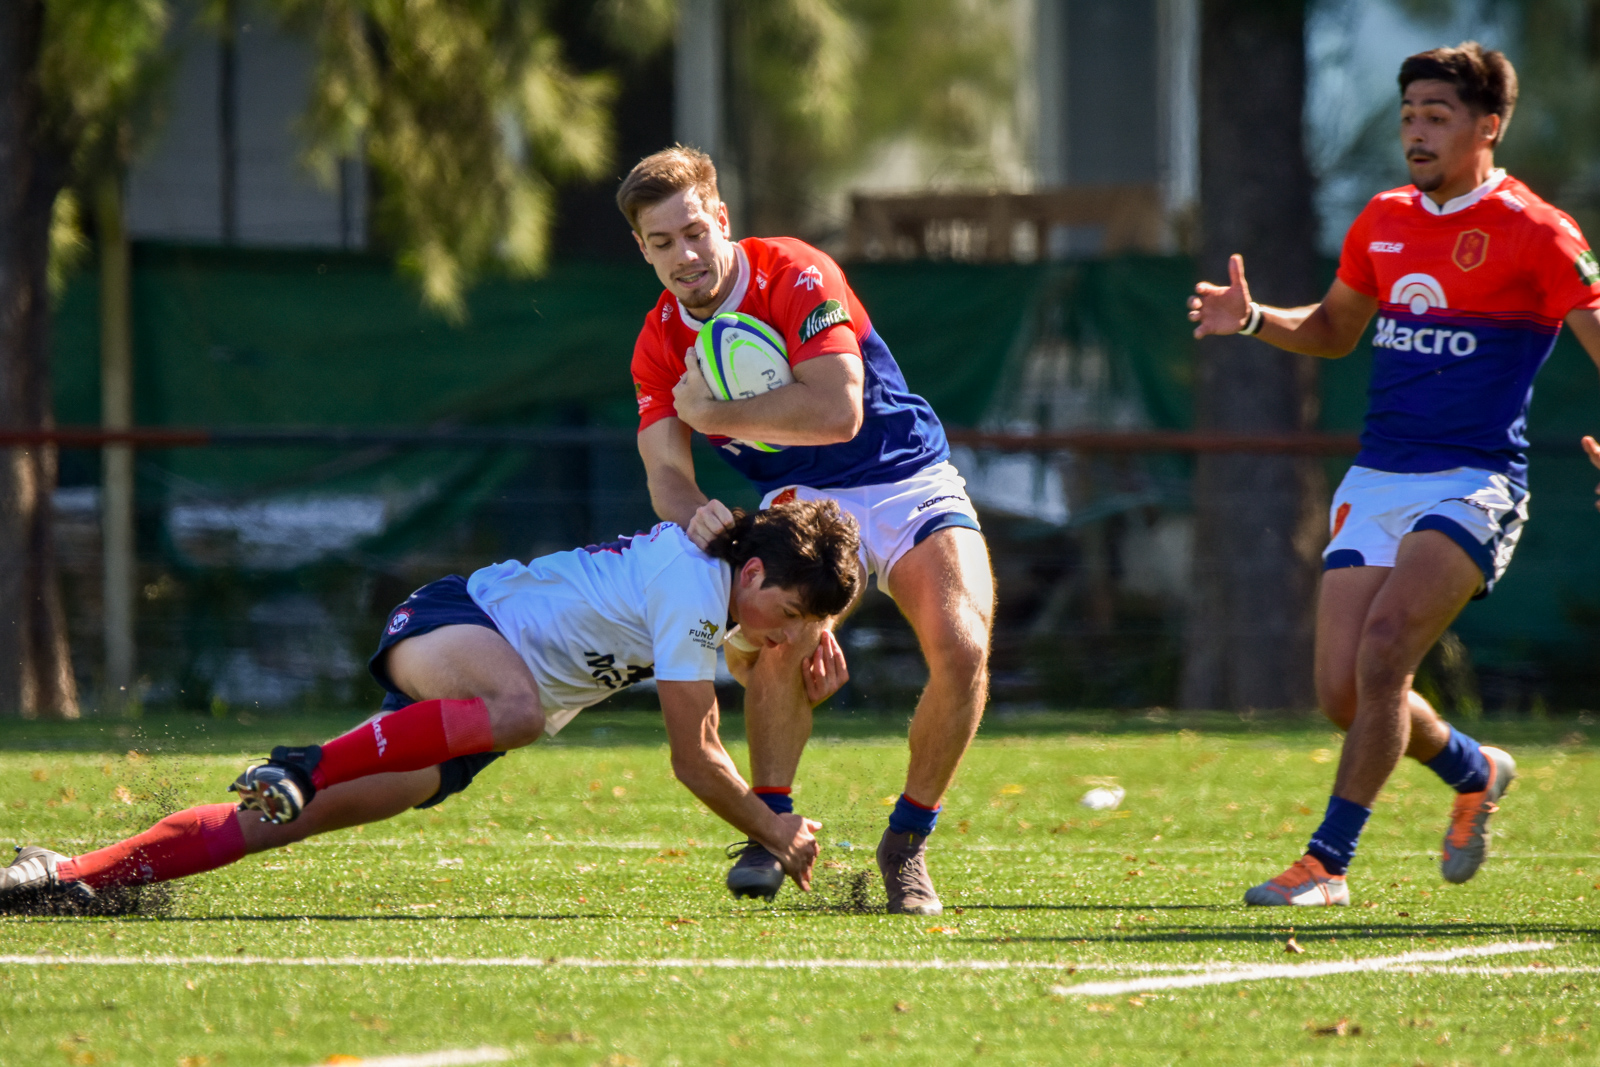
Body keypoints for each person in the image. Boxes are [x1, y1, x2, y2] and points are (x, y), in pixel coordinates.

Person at [1188, 42, 1600, 906]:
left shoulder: (1539, 232)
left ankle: (1326, 862)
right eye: (1410, 113)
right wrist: (1256, 318)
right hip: (1378, 476)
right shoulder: (1381, 218)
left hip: (1474, 481)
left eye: (1437, 116)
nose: (1416, 130)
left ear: (1488, 127)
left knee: (1384, 656)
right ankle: (1472, 766)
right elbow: (1336, 329)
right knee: (1345, 692)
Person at [0, 502, 860, 909]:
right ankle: (304, 762)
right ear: (754, 574)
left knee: (279, 822)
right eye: (790, 616)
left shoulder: (725, 590)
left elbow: (753, 670)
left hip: (468, 721)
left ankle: (70, 874)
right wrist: (772, 826)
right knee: (519, 709)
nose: (786, 635)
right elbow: (694, 753)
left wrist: (793, 667)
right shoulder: (695, 587)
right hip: (456, 625)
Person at [619, 146, 994, 915]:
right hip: (804, 494)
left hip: (906, 472)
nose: (684, 255)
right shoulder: (658, 342)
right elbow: (664, 472)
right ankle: (770, 822)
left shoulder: (793, 271)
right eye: (662, 243)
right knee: (777, 637)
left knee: (963, 647)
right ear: (643, 250)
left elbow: (837, 411)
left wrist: (714, 415)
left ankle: (907, 843)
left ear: (720, 218)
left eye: (694, 231)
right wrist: (695, 511)